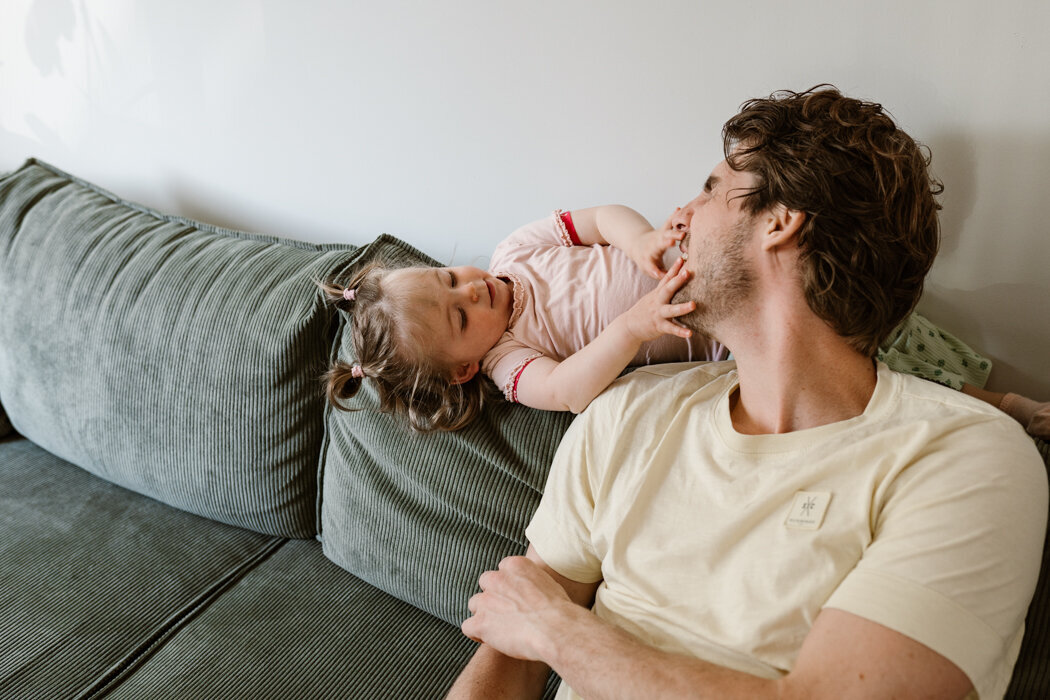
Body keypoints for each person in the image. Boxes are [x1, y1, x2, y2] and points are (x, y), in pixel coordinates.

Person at [446, 86, 1048, 699]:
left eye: (709, 188)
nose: (680, 212)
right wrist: (542, 626)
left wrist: (558, 633)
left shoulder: (966, 456)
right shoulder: (624, 412)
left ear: (780, 221)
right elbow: (508, 653)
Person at [320, 208, 1050, 438]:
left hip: (724, 279)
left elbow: (599, 215)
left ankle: (987, 392)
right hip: (729, 345)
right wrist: (634, 328)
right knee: (864, 382)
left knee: (863, 321)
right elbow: (570, 389)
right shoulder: (514, 359)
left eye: (454, 276)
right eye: (458, 313)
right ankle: (1004, 414)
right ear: (462, 367)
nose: (475, 290)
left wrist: (636, 241)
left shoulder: (516, 251)